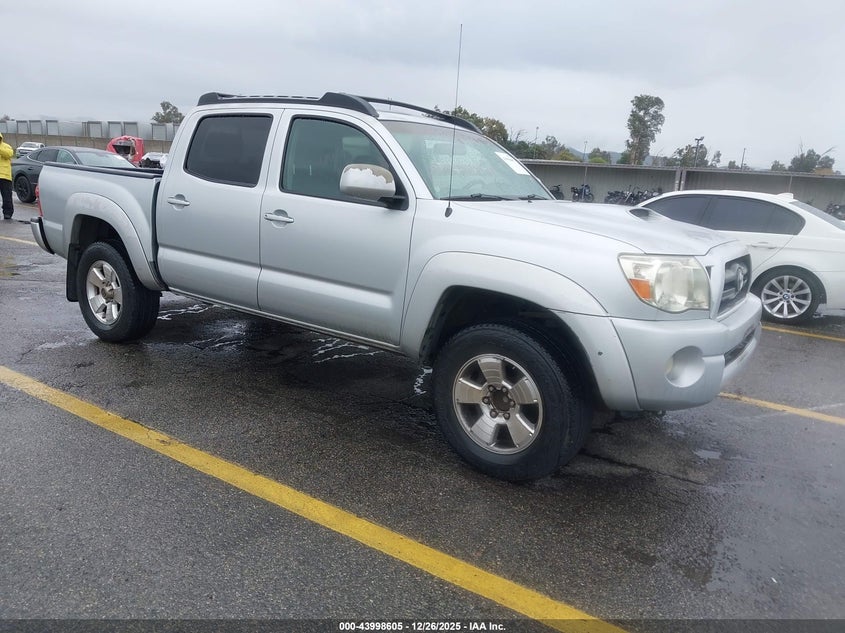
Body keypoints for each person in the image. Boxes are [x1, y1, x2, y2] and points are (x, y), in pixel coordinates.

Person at [0, 133, 14, 219]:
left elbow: (9, 154)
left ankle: (7, 213)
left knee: (7, 196)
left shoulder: (6, 146)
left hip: (5, 176)